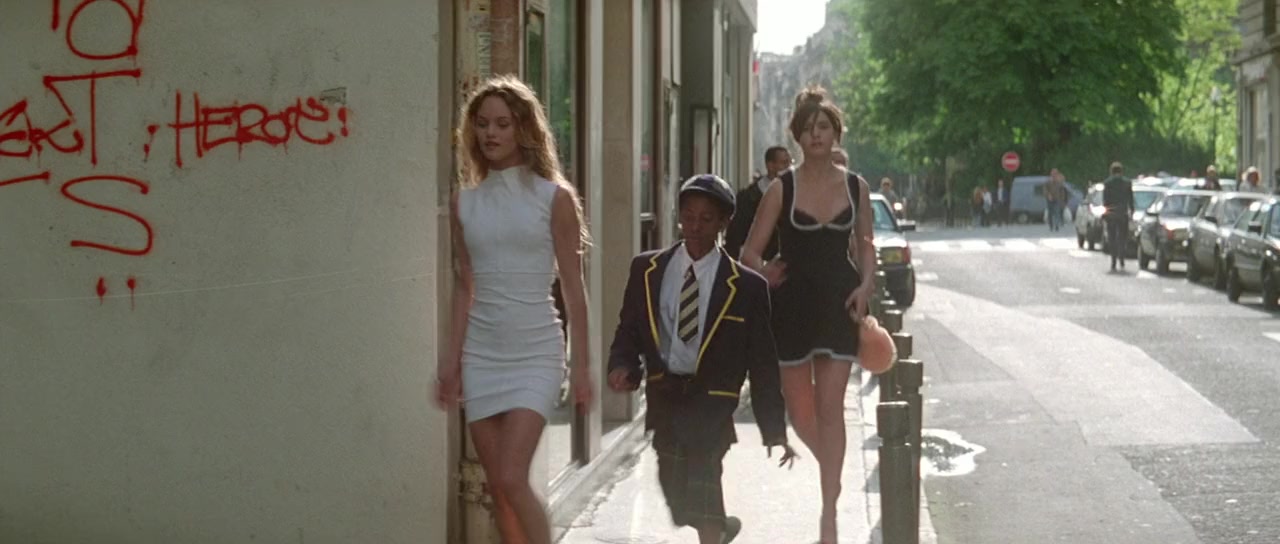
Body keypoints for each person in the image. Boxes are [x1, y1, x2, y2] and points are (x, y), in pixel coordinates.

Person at [435, 75, 594, 544]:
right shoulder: (464, 203)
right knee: (499, 491)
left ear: (524, 128)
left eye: (502, 124)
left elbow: (573, 288)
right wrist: (451, 362)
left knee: (510, 477)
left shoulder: (554, 198)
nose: (491, 133)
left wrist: (582, 366)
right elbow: (465, 286)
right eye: (482, 123)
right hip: (481, 355)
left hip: (536, 352)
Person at [607, 174, 798, 544]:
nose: (695, 226)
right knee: (678, 497)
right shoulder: (647, 270)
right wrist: (622, 365)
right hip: (666, 398)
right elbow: (629, 328)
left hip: (713, 403)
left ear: (724, 223)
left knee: (706, 478)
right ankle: (719, 529)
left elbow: (762, 362)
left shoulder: (746, 287)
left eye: (706, 219)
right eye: (688, 217)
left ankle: (712, 529)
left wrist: (774, 428)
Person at [740, 86, 876, 544]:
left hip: (839, 304)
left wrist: (866, 285)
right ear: (797, 136)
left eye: (824, 127)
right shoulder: (782, 188)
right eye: (808, 128)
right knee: (800, 415)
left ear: (836, 133)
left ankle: (829, 511)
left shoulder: (856, 187)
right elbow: (749, 252)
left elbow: (866, 245)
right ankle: (833, 473)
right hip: (792, 307)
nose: (816, 134)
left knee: (830, 408)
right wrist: (765, 272)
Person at [725, 146, 791, 259]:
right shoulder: (748, 198)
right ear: (770, 166)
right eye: (784, 163)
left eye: (790, 162)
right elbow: (735, 236)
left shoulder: (796, 195)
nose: (789, 168)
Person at [1102, 161, 1134, 272]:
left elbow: (1105, 200)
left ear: (1111, 171)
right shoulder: (1127, 182)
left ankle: (1113, 260)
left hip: (1111, 213)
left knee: (1112, 237)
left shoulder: (1107, 183)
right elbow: (1130, 199)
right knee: (1122, 237)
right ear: (1121, 171)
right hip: (1123, 212)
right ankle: (1122, 257)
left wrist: (1105, 212)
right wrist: (1132, 210)